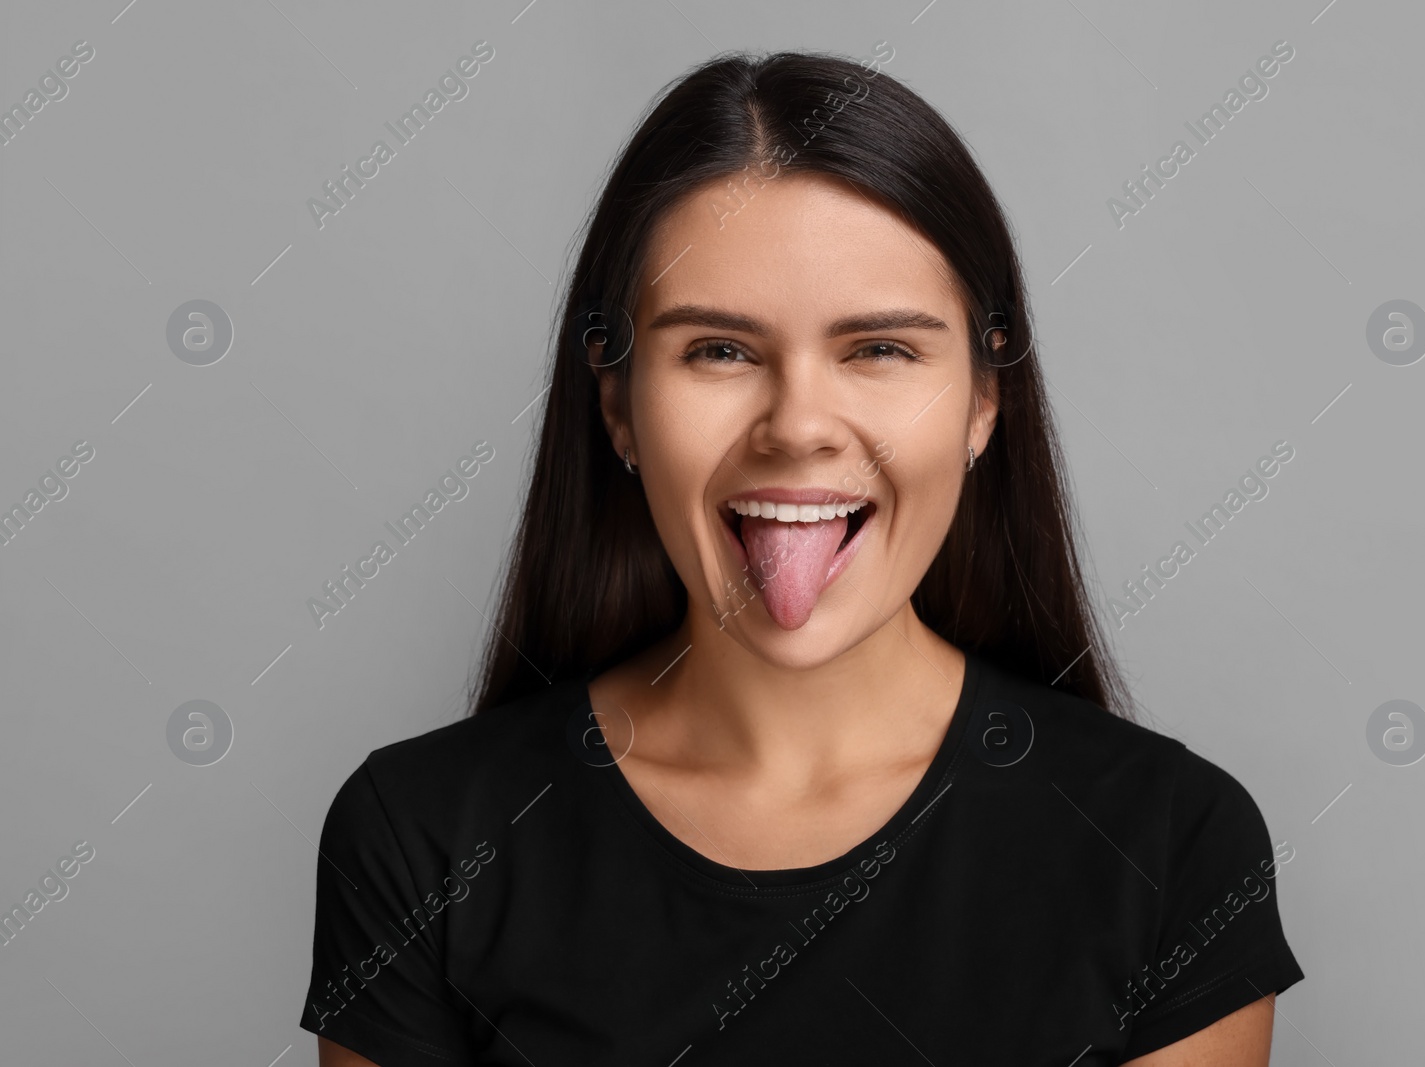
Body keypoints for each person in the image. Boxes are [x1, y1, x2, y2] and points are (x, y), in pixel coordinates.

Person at [300, 49, 1304, 1066]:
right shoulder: (421, 837)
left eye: (879, 350)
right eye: (719, 351)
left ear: (983, 402)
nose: (797, 426)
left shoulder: (1171, 845)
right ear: (618, 405)